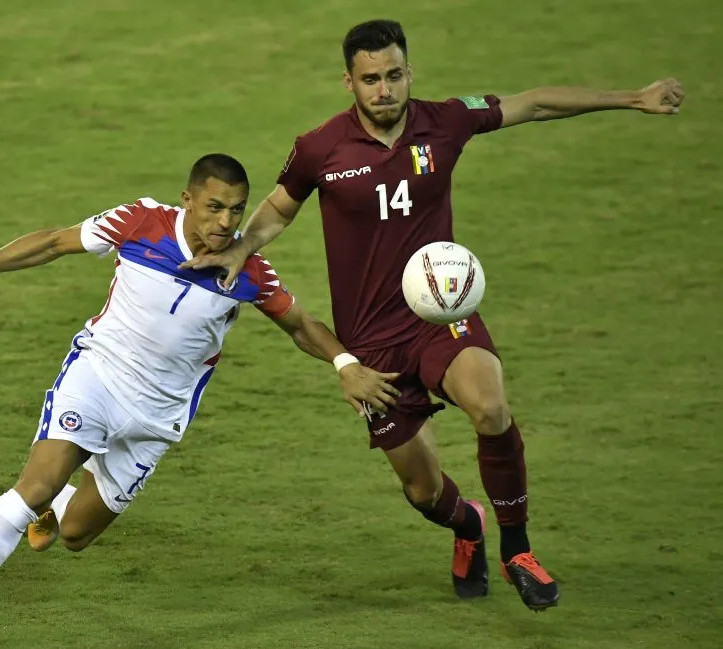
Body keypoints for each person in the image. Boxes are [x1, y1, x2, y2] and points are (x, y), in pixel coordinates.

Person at [181, 20, 686, 611]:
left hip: (442, 317)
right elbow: (278, 207)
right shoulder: (319, 147)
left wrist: (633, 97)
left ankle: (516, 548)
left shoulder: (445, 120)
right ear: (350, 82)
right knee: (422, 492)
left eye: (394, 75)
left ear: (408, 73)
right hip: (371, 345)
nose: (384, 89)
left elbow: (534, 104)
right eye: (371, 79)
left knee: (491, 406)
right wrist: (242, 248)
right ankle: (467, 527)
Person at [0, 153, 400, 649]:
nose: (226, 222)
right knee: (33, 487)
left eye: (236, 210)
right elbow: (55, 242)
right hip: (97, 378)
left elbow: (300, 324)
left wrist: (346, 365)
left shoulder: (247, 270)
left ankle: (60, 504)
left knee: (76, 534)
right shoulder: (139, 221)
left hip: (156, 420)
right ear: (187, 199)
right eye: (214, 207)